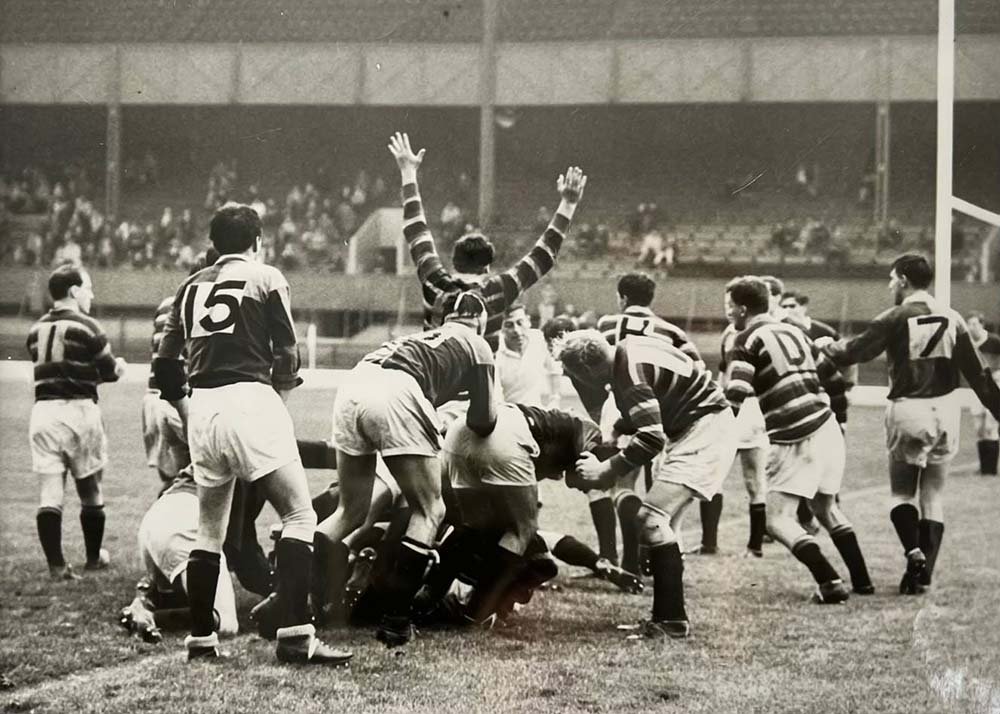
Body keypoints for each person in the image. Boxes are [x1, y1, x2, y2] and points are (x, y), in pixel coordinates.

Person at [154, 203, 351, 665]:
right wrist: (275, 404)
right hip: (250, 397)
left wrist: (187, 407)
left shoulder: (188, 286)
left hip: (203, 405)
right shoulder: (266, 277)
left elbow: (165, 364)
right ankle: (297, 637)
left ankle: (201, 642)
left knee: (208, 531)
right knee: (300, 517)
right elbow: (287, 352)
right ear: (258, 240)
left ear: (214, 243)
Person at [319, 291, 497, 647]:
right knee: (430, 508)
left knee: (350, 511)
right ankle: (396, 618)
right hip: (397, 390)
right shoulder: (477, 343)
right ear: (480, 318)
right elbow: (484, 419)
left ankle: (295, 604)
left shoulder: (416, 337)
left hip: (354, 383)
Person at [819, 255, 1000, 592]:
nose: (890, 285)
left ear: (903, 280)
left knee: (901, 493)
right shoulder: (954, 317)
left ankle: (912, 550)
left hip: (909, 408)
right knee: (933, 495)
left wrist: (825, 345)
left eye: (892, 279)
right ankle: (920, 577)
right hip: (946, 411)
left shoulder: (896, 316)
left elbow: (854, 352)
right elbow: (979, 375)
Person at [559, 328, 736, 639]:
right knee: (662, 524)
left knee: (651, 519)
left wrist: (605, 470)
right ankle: (668, 617)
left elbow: (651, 437)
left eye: (577, 376)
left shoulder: (628, 374)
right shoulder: (628, 349)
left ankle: (671, 621)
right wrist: (616, 429)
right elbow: (661, 398)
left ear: (588, 369)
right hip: (700, 425)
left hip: (704, 430)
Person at [724, 277, 873, 602]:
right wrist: (838, 422)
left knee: (776, 521)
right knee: (825, 507)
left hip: (794, 433)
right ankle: (862, 581)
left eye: (729, 307)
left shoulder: (745, 337)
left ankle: (829, 580)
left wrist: (717, 429)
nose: (728, 313)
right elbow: (833, 379)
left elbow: (737, 390)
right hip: (828, 426)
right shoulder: (796, 331)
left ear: (742, 308)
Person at [389, 131, 586, 351]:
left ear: (455, 263)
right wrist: (568, 204)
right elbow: (544, 254)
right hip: (479, 379)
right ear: (487, 266)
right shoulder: (498, 289)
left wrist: (408, 172)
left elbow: (416, 230)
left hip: (436, 379)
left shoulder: (434, 281)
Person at [596, 272, 724, 561]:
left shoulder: (607, 324)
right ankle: (649, 555)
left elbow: (600, 363)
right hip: (658, 405)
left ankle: (630, 561)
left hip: (619, 403)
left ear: (622, 298)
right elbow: (696, 367)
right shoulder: (672, 332)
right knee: (659, 479)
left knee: (623, 484)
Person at [26, 265, 126, 579]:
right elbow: (108, 371)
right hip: (80, 411)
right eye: (88, 288)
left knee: (50, 493)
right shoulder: (89, 326)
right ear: (73, 291)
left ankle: (57, 566)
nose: (91, 294)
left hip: (43, 413)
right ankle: (94, 558)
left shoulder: (35, 330)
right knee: (90, 490)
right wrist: (119, 367)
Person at [119, 467, 238, 643]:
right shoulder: (263, 459)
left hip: (158, 515)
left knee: (191, 595)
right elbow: (246, 553)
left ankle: (145, 602)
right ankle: (148, 616)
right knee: (227, 623)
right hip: (186, 522)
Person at [494, 302, 562, 408]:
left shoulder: (539, 338)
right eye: (509, 325)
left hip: (537, 412)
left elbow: (555, 370)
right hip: (508, 414)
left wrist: (554, 399)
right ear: (501, 328)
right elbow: (496, 397)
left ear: (528, 321)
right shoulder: (495, 351)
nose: (516, 330)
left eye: (520, 323)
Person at [966, 311, 1000, 475]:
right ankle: (983, 467)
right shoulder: (967, 344)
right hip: (978, 388)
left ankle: (991, 470)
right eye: (969, 324)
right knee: (979, 428)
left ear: (982, 325)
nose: (971, 327)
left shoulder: (994, 341)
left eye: (974, 324)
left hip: (995, 385)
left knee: (990, 426)